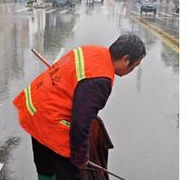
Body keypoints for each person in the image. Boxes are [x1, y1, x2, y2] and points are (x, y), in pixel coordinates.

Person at [13, 34, 146, 180]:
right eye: (135, 66)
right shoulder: (101, 80)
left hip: (36, 111)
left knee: (45, 168)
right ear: (126, 60)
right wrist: (80, 158)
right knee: (70, 174)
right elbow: (80, 123)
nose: (132, 70)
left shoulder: (91, 51)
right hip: (51, 122)